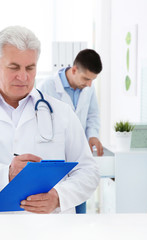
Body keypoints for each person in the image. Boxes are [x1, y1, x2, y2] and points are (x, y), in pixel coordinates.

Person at [0, 26, 99, 214]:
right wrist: (5, 174)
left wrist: (58, 197)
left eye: (30, 68)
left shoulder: (61, 112)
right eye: (14, 67)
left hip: (51, 228)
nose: (23, 77)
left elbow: (89, 171)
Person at [38, 49, 103, 213]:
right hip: (55, 153)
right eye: (86, 78)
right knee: (58, 203)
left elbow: (93, 114)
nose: (89, 84)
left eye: (92, 80)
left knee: (78, 195)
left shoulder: (88, 88)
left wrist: (93, 135)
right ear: (74, 70)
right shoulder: (47, 87)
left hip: (78, 152)